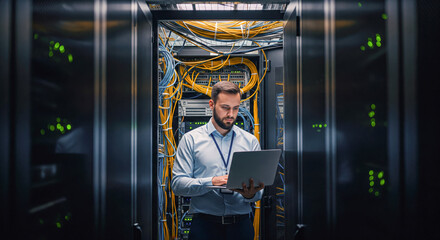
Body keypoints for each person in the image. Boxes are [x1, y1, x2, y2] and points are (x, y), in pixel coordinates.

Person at [171, 81, 264, 240]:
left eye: (235, 108)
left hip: (241, 226)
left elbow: (259, 192)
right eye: (225, 108)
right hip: (204, 226)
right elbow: (178, 185)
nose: (231, 114)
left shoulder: (250, 141)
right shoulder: (191, 139)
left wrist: (250, 194)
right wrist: (212, 181)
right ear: (211, 105)